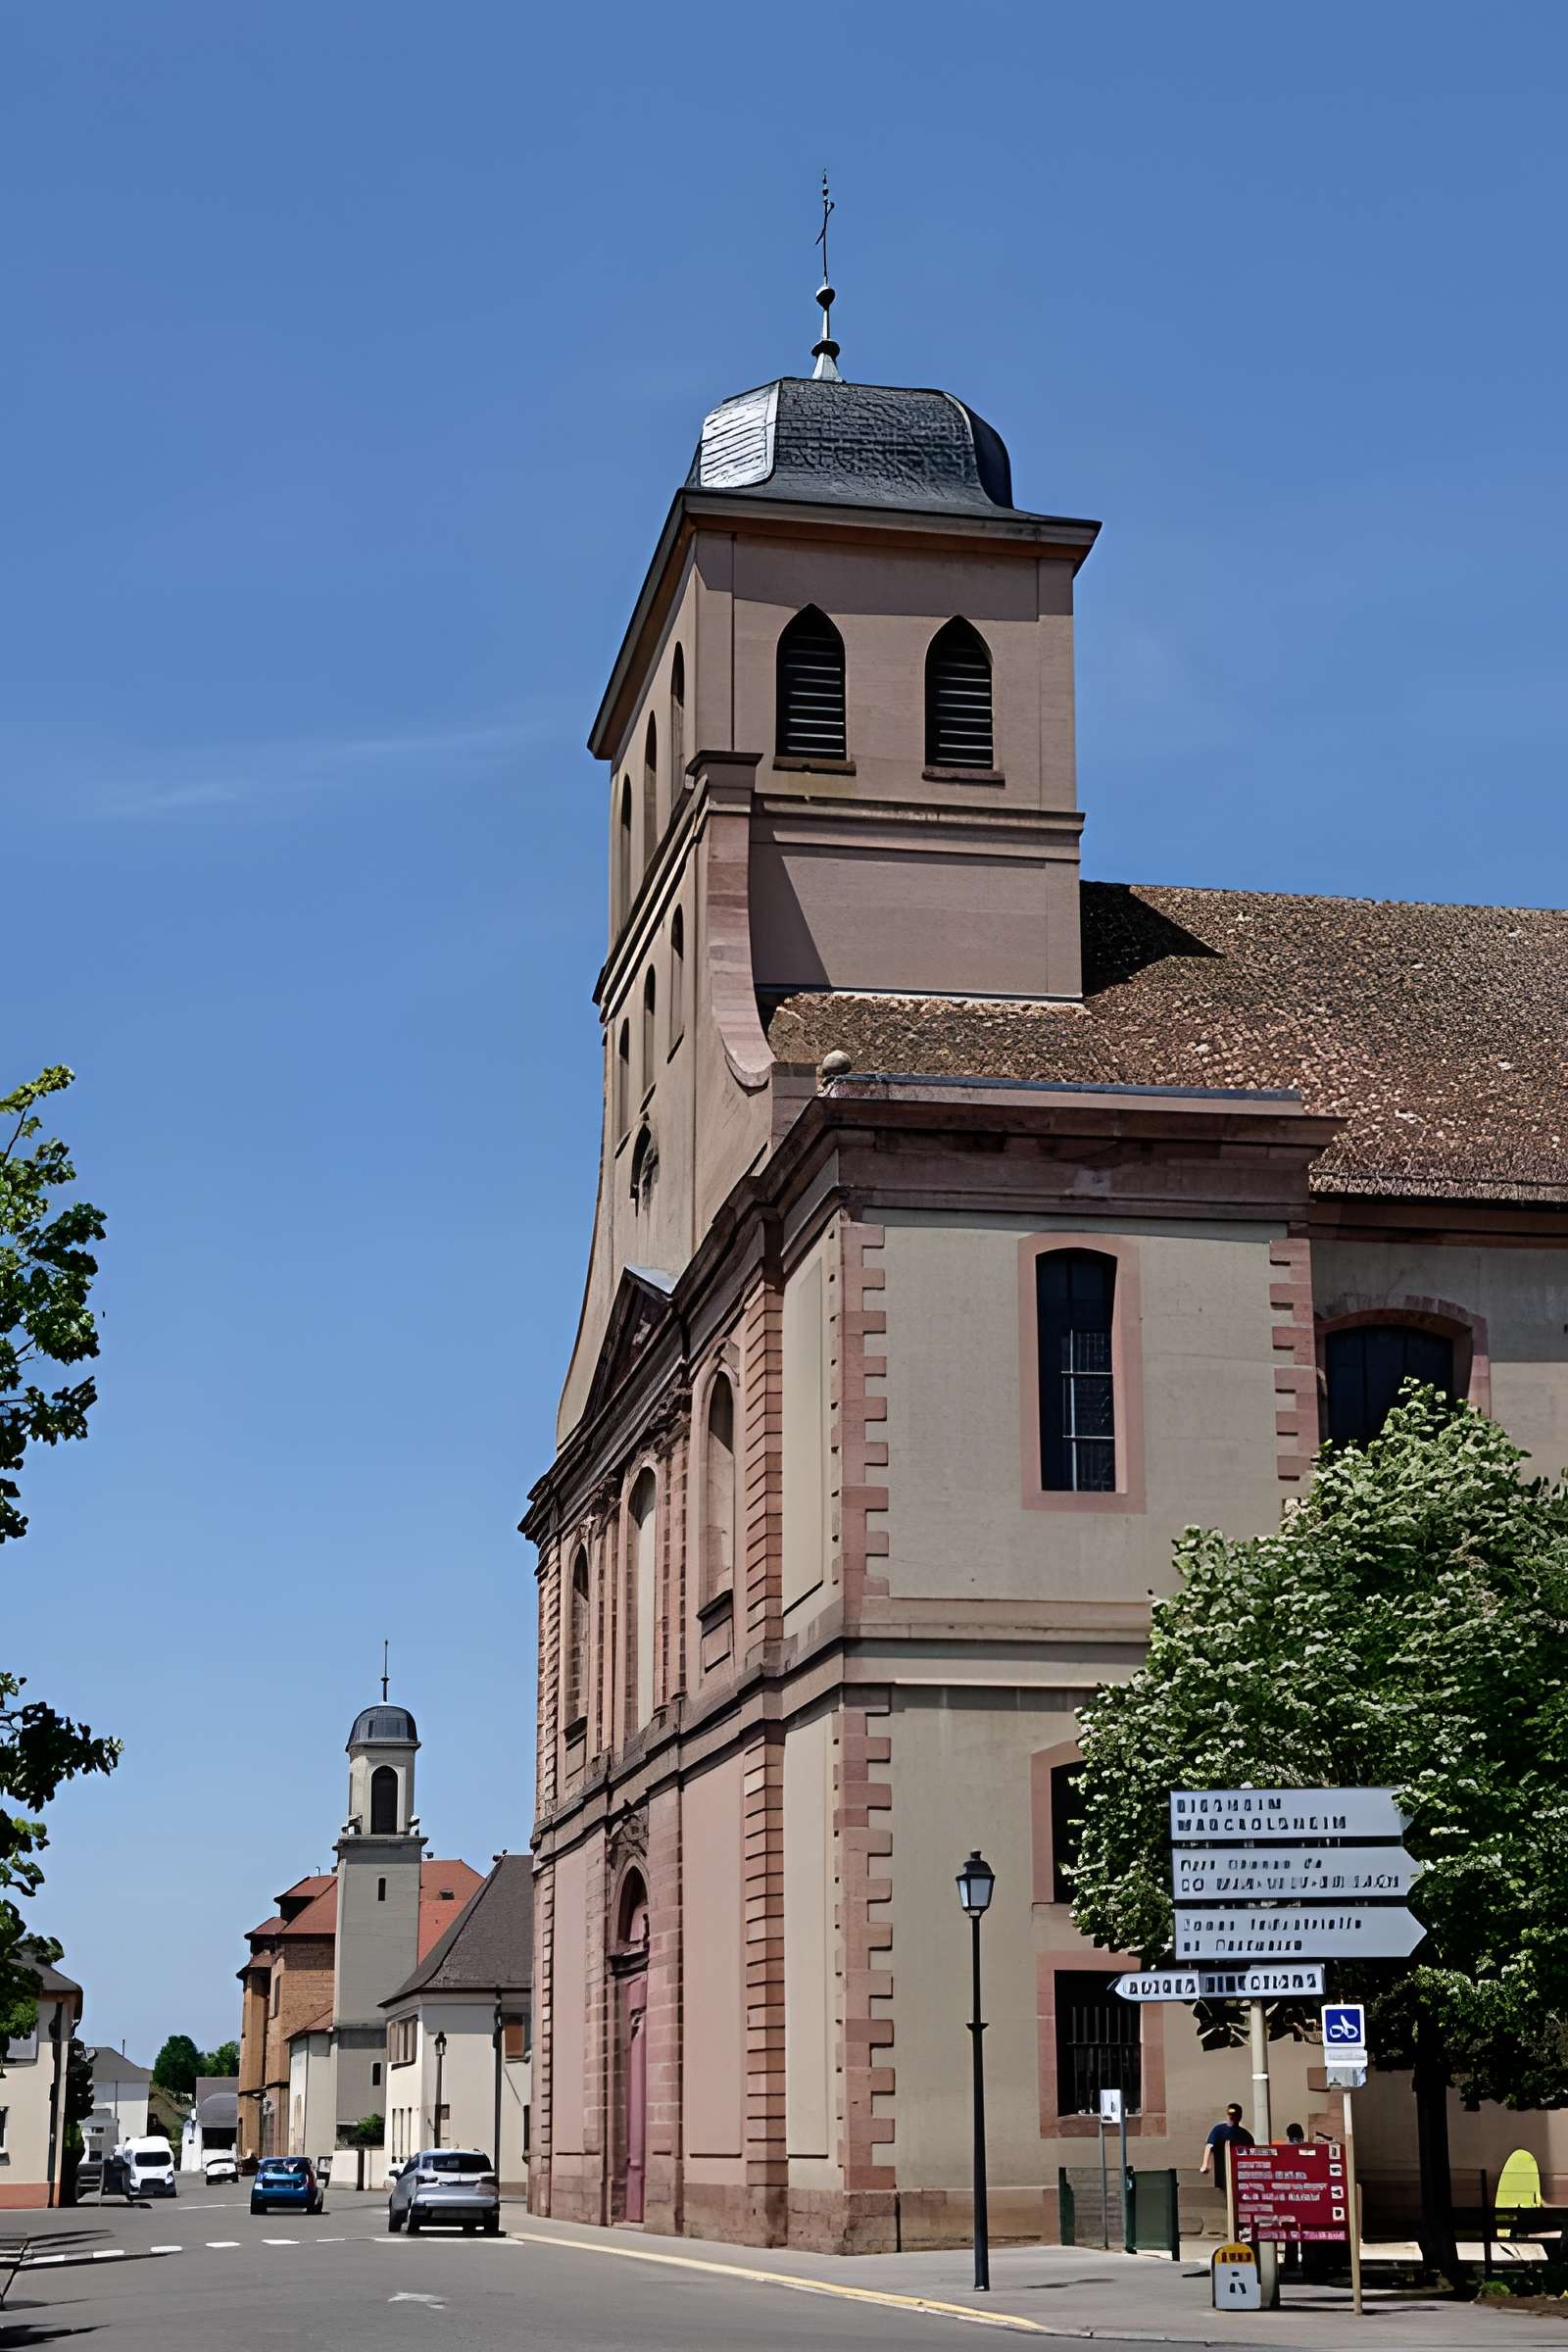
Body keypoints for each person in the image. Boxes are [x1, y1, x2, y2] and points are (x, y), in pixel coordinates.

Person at [1200, 2102, 1254, 2205]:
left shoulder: (1245, 2135)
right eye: (1230, 2115)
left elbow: (1251, 2154)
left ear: (1239, 2117)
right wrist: (1205, 2164)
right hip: (1222, 2173)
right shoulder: (1218, 2130)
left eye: (1234, 2115)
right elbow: (1209, 2146)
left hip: (1240, 2174)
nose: (1232, 2118)